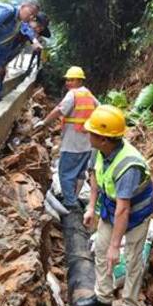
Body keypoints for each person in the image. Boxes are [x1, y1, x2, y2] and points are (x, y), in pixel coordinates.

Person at [76, 105, 153, 306]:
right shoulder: (99, 150)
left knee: (131, 259)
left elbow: (125, 210)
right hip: (112, 208)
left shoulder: (128, 165)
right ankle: (103, 298)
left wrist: (115, 246)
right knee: (101, 249)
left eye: (92, 132)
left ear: (104, 139)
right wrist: (91, 207)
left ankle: (130, 305)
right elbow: (94, 177)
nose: (87, 134)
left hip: (136, 214)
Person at [33, 66, 99, 210]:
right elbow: (99, 109)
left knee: (65, 173)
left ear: (79, 80)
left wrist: (44, 122)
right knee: (80, 173)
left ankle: (70, 204)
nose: (68, 82)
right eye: (67, 79)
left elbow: (59, 110)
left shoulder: (72, 94)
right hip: (87, 143)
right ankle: (74, 198)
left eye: (71, 79)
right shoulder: (88, 94)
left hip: (73, 144)